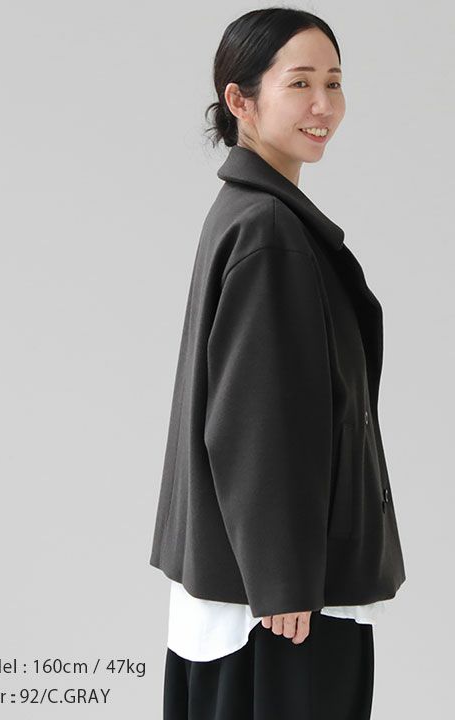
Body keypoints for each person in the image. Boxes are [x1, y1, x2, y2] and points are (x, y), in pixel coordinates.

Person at [149, 7, 406, 719]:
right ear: (240, 100)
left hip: (254, 589)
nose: (323, 105)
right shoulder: (269, 229)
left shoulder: (246, 212)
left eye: (334, 82)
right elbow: (253, 422)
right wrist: (283, 580)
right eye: (299, 83)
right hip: (282, 606)